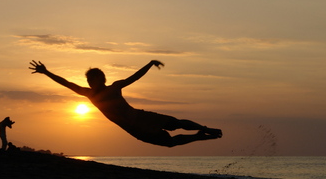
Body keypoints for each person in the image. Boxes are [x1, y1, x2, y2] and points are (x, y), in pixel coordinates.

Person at [29, 60, 222, 147]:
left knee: (176, 123)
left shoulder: (114, 88)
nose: (89, 83)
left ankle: (206, 129)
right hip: (135, 129)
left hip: (141, 117)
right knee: (169, 142)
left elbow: (134, 77)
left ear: (101, 79)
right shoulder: (89, 95)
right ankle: (199, 136)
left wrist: (149, 64)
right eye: (88, 80)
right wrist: (46, 72)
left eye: (93, 80)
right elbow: (67, 83)